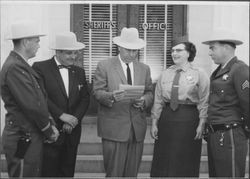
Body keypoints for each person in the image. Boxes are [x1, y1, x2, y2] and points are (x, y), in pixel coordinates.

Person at [0, 20, 59, 177]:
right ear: (26, 42)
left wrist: (49, 124)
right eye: (37, 41)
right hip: (22, 136)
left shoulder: (20, 65)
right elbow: (32, 105)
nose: (39, 45)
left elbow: (38, 100)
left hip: (28, 134)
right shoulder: (15, 67)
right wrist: (49, 130)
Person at [93, 27, 153, 177]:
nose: (132, 54)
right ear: (119, 47)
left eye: (135, 50)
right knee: (114, 172)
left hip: (137, 128)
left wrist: (144, 101)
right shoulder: (104, 65)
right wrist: (111, 96)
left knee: (132, 173)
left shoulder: (144, 68)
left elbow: (150, 92)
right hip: (114, 128)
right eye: (128, 50)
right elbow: (97, 92)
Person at [32, 32, 90, 177]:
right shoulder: (40, 67)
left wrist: (73, 120)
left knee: (68, 171)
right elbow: (40, 97)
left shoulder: (80, 72)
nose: (74, 57)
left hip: (73, 131)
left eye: (75, 53)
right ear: (58, 52)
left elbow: (85, 99)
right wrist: (61, 115)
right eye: (69, 53)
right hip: (51, 130)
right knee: (49, 171)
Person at [150, 41, 210, 177]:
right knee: (164, 157)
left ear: (188, 53)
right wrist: (154, 123)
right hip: (166, 118)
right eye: (172, 51)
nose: (174, 53)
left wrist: (202, 123)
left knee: (186, 156)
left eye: (179, 50)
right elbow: (158, 100)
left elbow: (204, 100)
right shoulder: (165, 73)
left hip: (189, 119)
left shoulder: (199, 74)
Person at [202, 31, 249, 177]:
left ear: (226, 48)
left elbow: (247, 102)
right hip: (216, 133)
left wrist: (244, 131)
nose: (210, 53)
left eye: (213, 48)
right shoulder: (218, 71)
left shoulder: (239, 69)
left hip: (230, 134)